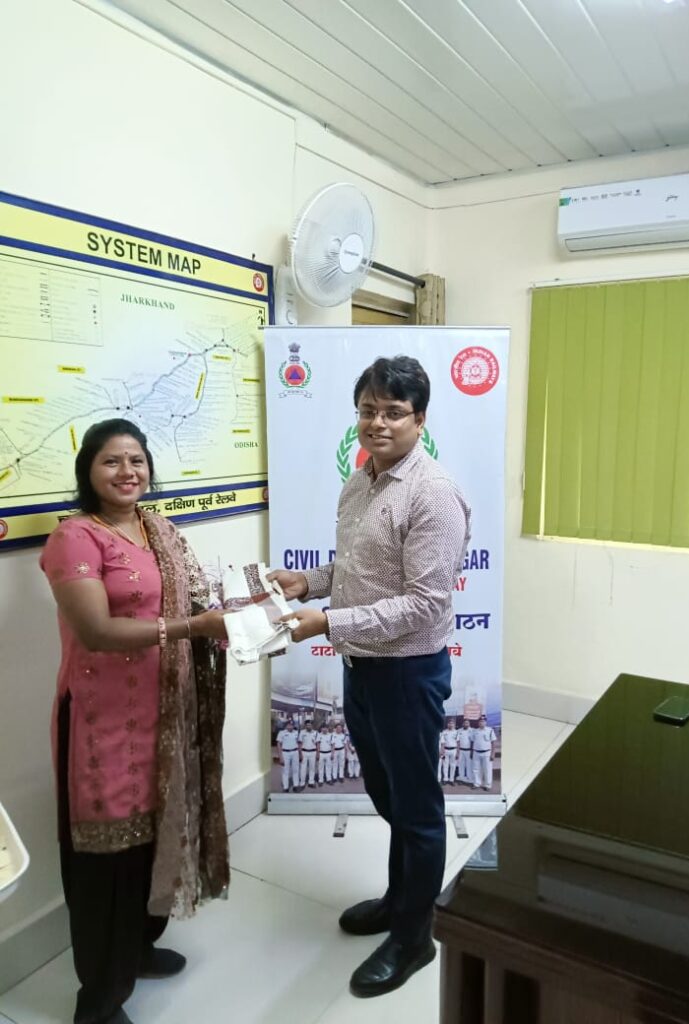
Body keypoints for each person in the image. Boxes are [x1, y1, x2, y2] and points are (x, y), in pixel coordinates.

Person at [269, 355, 471, 998]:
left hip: (408, 673)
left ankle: (415, 939)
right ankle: (397, 900)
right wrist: (308, 583)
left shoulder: (433, 494)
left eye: (393, 412)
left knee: (417, 810)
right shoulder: (360, 482)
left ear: (420, 419)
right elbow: (358, 568)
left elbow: (424, 605)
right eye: (368, 410)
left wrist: (326, 621)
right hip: (363, 666)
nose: (378, 423)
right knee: (388, 795)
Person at [39, 418, 231, 1024]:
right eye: (111, 461)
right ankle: (98, 999)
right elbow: (96, 631)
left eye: (137, 460)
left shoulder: (159, 530)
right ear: (88, 472)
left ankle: (138, 949)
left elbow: (200, 600)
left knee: (152, 842)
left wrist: (245, 614)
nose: (127, 472)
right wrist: (193, 628)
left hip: (165, 716)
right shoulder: (75, 538)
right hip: (102, 724)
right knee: (107, 864)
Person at [472, 715, 497, 790]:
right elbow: (472, 742)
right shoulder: (475, 731)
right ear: (478, 723)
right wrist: (472, 752)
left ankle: (487, 785)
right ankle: (477, 784)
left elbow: (493, 743)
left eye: (483, 721)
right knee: (476, 769)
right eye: (480, 721)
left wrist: (493, 754)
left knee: (487, 770)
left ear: (486, 722)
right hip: (476, 752)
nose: (481, 722)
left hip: (487, 753)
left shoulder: (490, 730)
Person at [276, 718, 300, 793]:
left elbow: (298, 743)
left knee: (295, 770)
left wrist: (299, 753)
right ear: (286, 725)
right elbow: (278, 745)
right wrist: (280, 757)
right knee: (285, 771)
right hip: (285, 753)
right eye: (289, 725)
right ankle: (286, 787)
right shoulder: (281, 733)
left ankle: (295, 786)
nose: (290, 726)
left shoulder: (296, 733)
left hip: (295, 752)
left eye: (292, 725)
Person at [298, 718, 318, 790]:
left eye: (310, 725)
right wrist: (300, 754)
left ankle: (311, 782)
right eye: (307, 725)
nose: (308, 726)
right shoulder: (302, 732)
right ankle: (302, 783)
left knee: (312, 768)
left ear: (312, 725)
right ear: (305, 726)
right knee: (303, 768)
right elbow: (300, 743)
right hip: (304, 752)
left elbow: (317, 744)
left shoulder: (316, 733)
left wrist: (317, 753)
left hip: (313, 752)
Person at [439, 718, 459, 785]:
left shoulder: (456, 732)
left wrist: (458, 752)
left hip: (454, 750)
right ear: (447, 724)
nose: (450, 724)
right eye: (449, 723)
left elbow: (458, 743)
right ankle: (445, 779)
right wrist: (442, 751)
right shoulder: (444, 732)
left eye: (452, 723)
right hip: (446, 750)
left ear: (454, 724)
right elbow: (442, 743)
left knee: (453, 765)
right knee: (445, 765)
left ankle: (451, 780)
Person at [457, 719, 474, 785]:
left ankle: (469, 780)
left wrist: (472, 751)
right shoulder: (459, 731)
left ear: (469, 724)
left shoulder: (472, 731)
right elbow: (457, 741)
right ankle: (461, 779)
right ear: (463, 724)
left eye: (467, 723)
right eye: (464, 723)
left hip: (469, 750)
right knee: (461, 765)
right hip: (461, 750)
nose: (466, 724)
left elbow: (473, 742)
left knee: (469, 765)